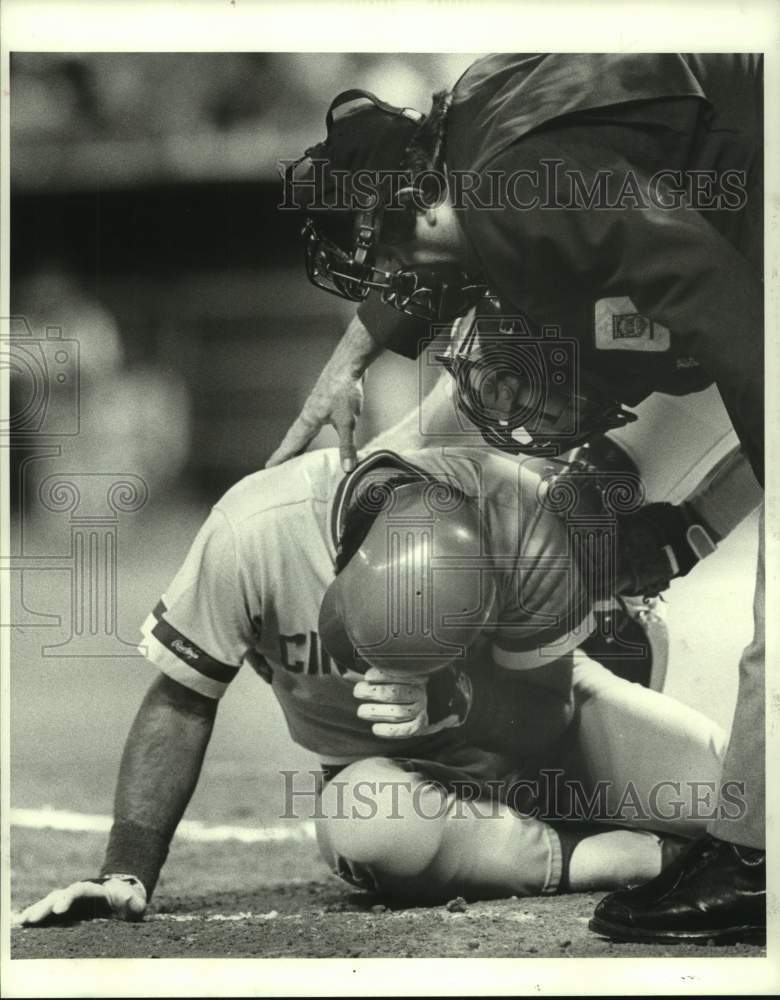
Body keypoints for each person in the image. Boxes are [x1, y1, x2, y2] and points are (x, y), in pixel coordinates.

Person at [269, 53, 765, 943]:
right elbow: (467, 235)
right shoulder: (471, 138)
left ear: (417, 199)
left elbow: (720, 299)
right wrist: (350, 356)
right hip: (717, 252)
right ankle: (584, 704)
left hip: (743, 283)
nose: (380, 267)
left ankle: (755, 856)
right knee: (547, 537)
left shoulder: (519, 193)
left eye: (376, 241)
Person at [19, 445, 738, 925]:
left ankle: (590, 826)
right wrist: (126, 872)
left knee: (735, 800)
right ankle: (591, 855)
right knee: (371, 821)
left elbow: (549, 711)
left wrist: (458, 698)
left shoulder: (520, 511)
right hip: (388, 771)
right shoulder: (252, 532)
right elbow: (182, 698)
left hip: (532, 722)